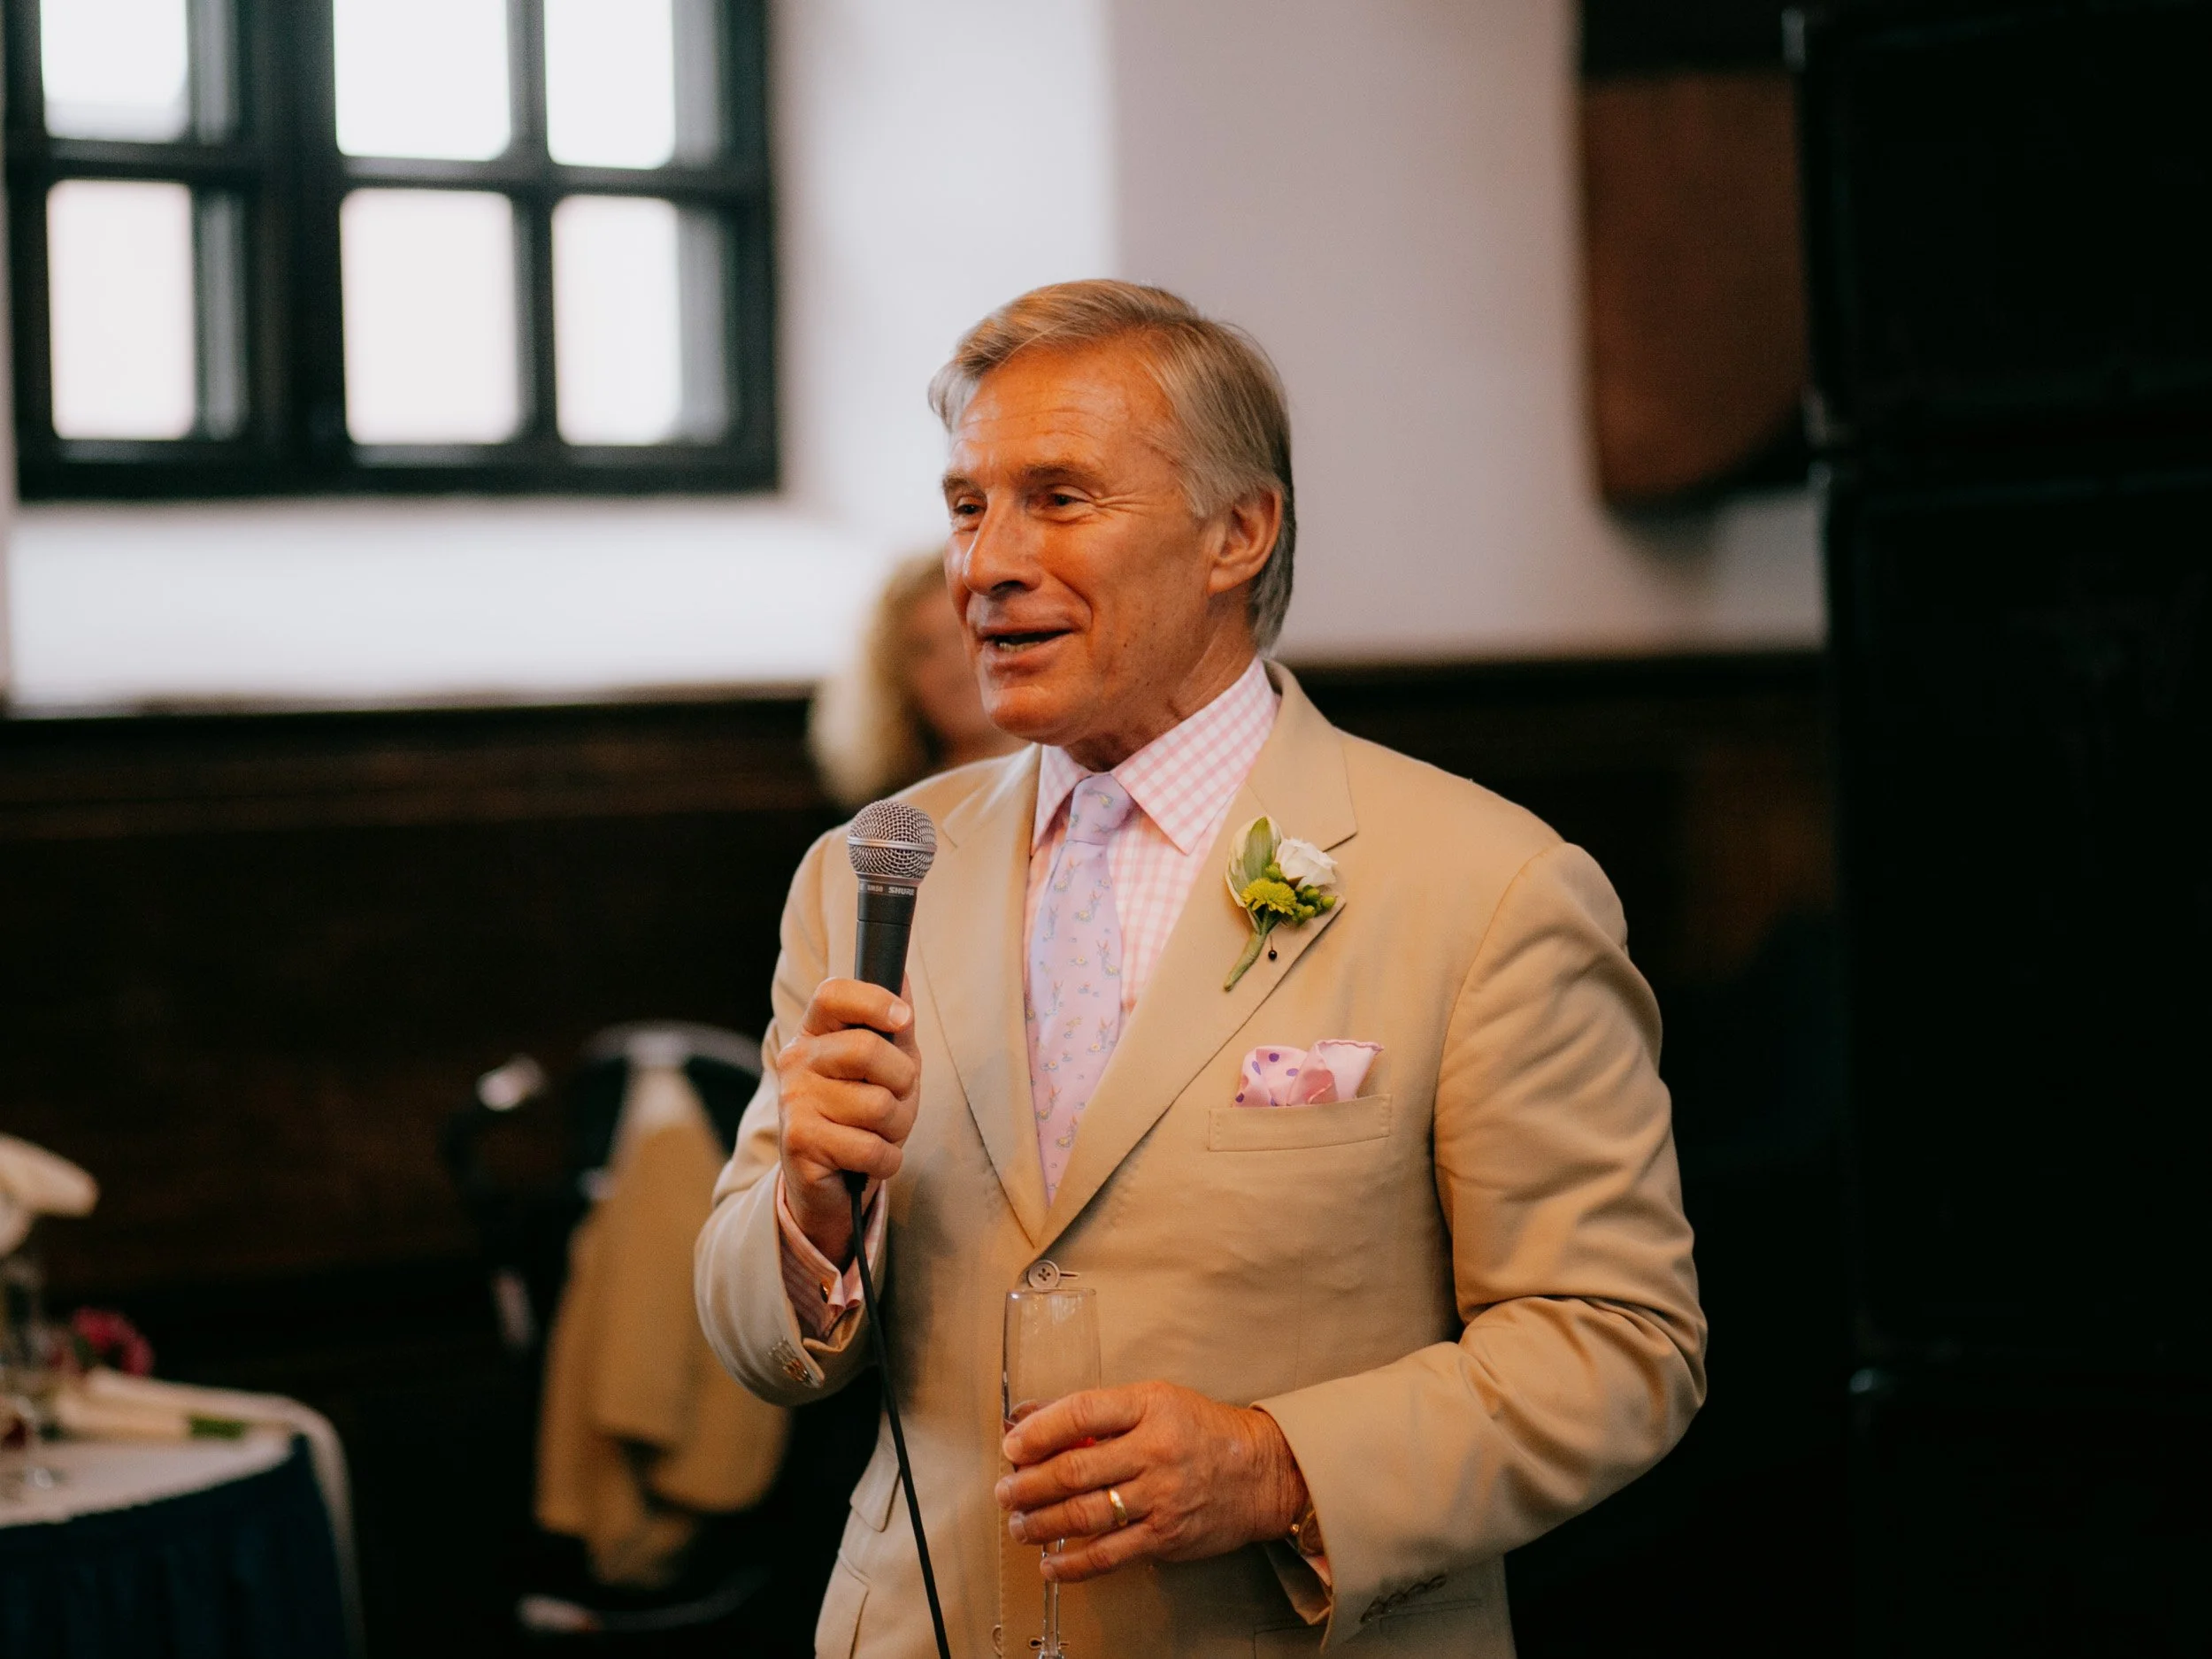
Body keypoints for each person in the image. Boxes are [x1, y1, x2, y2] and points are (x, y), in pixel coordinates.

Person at [695, 281, 1705, 1656]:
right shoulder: (875, 871)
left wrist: (1279, 1462)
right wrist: (807, 1211)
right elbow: (751, 1335)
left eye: (1056, 497)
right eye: (966, 504)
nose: (986, 561)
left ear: (1240, 530)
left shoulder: (1485, 884)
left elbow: (1620, 1341)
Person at [810, 549, 1023, 810]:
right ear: (895, 680)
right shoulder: (892, 826)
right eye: (923, 649)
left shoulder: (1079, 791)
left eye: (960, 635)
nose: (952, 665)